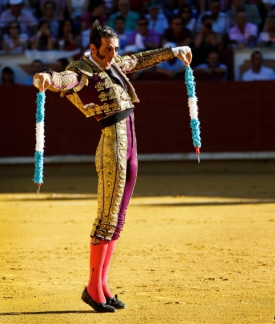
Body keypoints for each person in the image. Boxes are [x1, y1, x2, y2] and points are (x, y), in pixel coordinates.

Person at [32, 19, 192, 313]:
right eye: (107, 49)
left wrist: (173, 51)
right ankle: (93, 289)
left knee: (117, 218)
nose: (112, 53)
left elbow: (139, 59)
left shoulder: (114, 62)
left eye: (115, 48)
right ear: (93, 48)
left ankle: (103, 286)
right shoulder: (82, 69)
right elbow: (64, 80)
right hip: (112, 148)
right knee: (106, 218)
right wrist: (46, 78)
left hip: (129, 146)